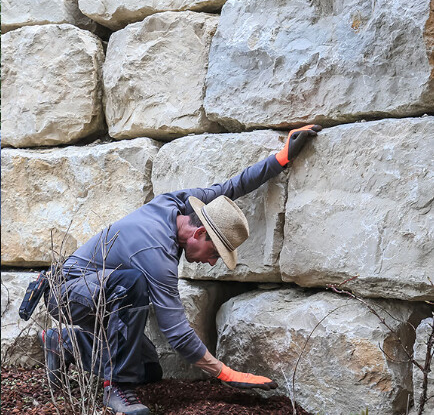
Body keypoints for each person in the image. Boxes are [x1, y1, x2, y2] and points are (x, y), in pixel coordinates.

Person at [40, 124, 322, 415]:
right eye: (215, 253)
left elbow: (233, 187)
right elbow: (175, 331)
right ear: (200, 233)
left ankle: (66, 344)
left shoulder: (181, 205)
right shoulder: (156, 252)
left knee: (149, 370)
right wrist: (226, 373)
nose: (212, 262)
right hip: (67, 291)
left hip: (100, 292)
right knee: (132, 284)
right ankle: (117, 389)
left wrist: (281, 158)